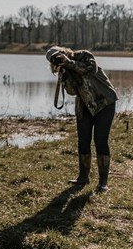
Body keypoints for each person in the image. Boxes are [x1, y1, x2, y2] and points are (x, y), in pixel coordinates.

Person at [46, 46, 118, 191]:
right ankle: (83, 177)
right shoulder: (64, 70)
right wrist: (64, 73)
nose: (58, 59)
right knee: (83, 140)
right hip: (84, 106)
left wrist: (69, 63)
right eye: (55, 60)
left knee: (101, 140)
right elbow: (72, 92)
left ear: (63, 51)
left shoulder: (84, 55)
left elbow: (90, 69)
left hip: (104, 102)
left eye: (59, 55)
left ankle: (103, 182)